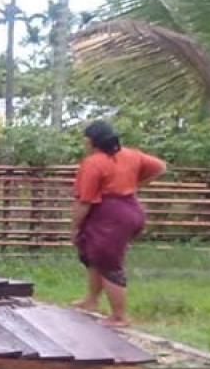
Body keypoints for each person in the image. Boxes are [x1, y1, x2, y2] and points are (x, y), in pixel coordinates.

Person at [70, 120, 167, 328]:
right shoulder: (130, 154)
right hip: (130, 209)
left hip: (110, 216)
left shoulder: (93, 163)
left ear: (89, 141)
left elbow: (85, 201)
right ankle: (91, 300)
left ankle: (119, 315)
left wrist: (75, 228)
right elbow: (160, 167)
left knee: (108, 261)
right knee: (94, 255)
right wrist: (136, 185)